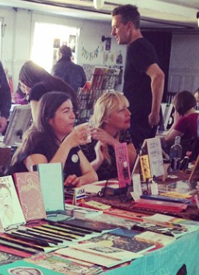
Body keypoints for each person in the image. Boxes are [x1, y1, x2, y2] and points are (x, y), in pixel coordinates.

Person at [9, 91, 98, 187]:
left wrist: (78, 180)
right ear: (49, 119)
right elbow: (45, 182)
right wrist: (67, 144)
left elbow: (92, 175)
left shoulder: (67, 140)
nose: (73, 116)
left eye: (72, 110)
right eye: (66, 111)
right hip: (30, 200)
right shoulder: (34, 142)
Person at [111, 4, 165, 150]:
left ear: (129, 26)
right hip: (140, 117)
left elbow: (158, 76)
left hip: (140, 118)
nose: (112, 32)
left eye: (116, 27)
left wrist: (154, 112)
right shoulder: (143, 46)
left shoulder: (137, 47)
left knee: (135, 162)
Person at [81, 91, 137, 181]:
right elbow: (80, 176)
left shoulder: (122, 133)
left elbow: (135, 164)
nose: (129, 113)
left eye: (127, 108)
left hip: (116, 190)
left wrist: (114, 143)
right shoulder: (88, 137)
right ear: (106, 117)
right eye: (121, 110)